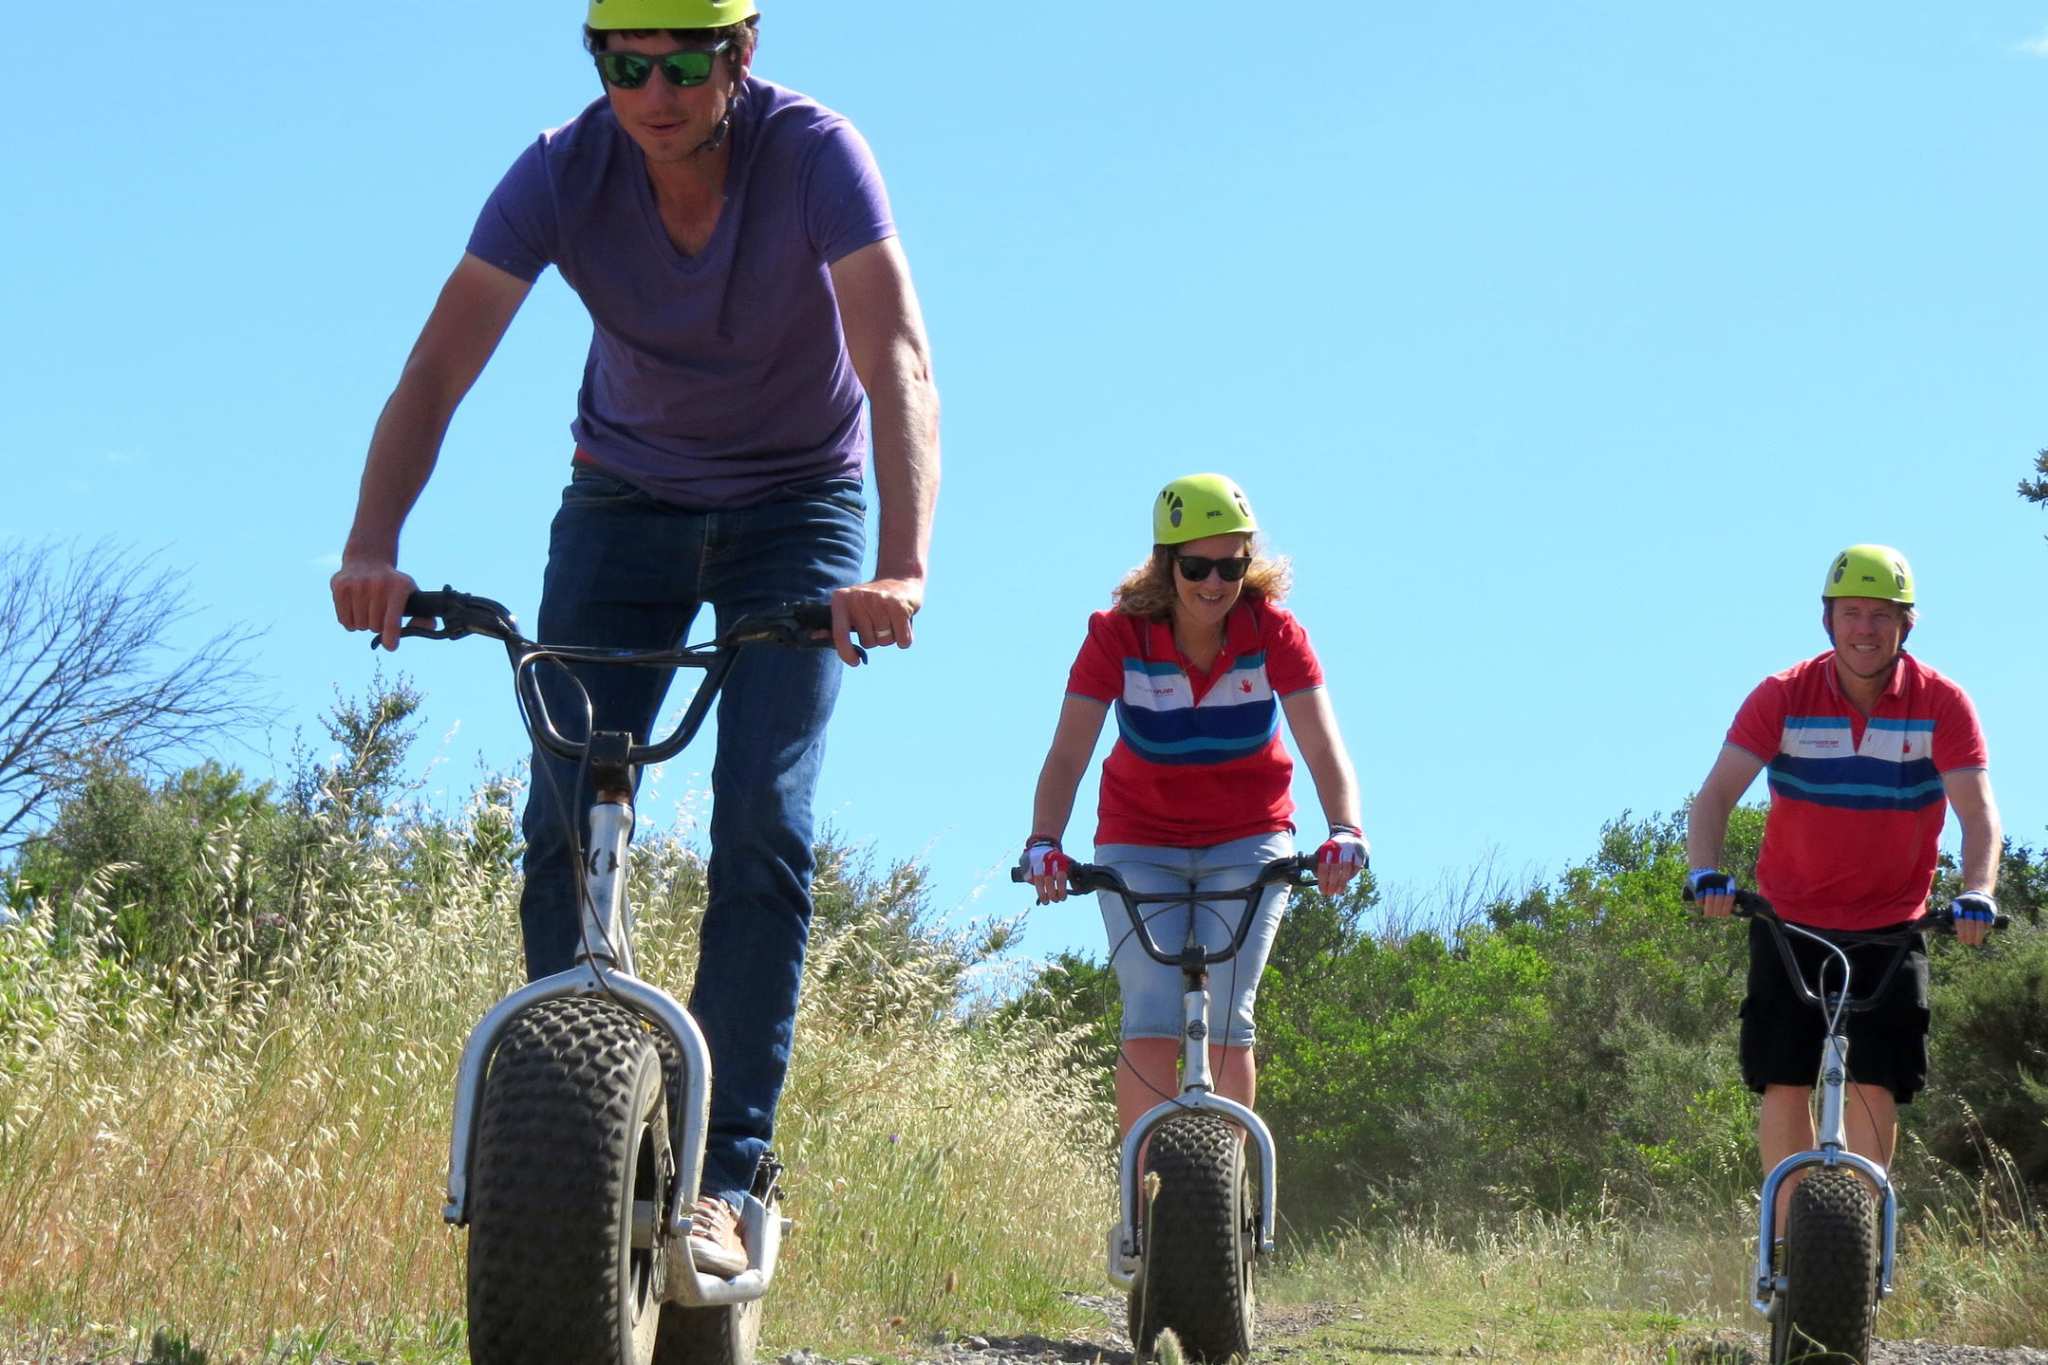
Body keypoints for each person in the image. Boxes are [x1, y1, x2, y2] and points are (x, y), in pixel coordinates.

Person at [328, 0, 939, 1276]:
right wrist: (373, 541)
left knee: (763, 817)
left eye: (684, 63)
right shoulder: (559, 172)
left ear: (741, 58)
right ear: (598, 64)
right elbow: (438, 366)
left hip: (799, 505)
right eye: (625, 64)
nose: (654, 90)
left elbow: (894, 359)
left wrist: (899, 565)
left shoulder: (816, 154)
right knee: (566, 801)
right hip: (626, 498)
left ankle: (728, 1179)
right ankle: (565, 1120)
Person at [1022, 474, 1368, 1140]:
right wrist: (1044, 842)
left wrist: (1345, 830)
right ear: (1165, 563)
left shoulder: (1274, 634)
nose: (1214, 582)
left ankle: (1228, 1194)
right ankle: (1144, 1204)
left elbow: (1324, 747)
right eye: (1197, 566)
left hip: (1250, 836)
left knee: (1228, 1018)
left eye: (1231, 565)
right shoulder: (1117, 636)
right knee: (1152, 1014)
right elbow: (1067, 755)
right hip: (1139, 840)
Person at [1686, 544, 2000, 1231]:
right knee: (1784, 1076)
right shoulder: (1783, 695)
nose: (1865, 628)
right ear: (1828, 621)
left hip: (1895, 922)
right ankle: (1788, 1234)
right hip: (1791, 919)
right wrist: (1706, 873)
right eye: (1852, 613)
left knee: (1877, 1077)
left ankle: (1859, 1233)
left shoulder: (1940, 703)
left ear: (1905, 625)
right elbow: (1711, 801)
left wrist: (1978, 891)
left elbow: (1979, 816)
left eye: (1881, 615)